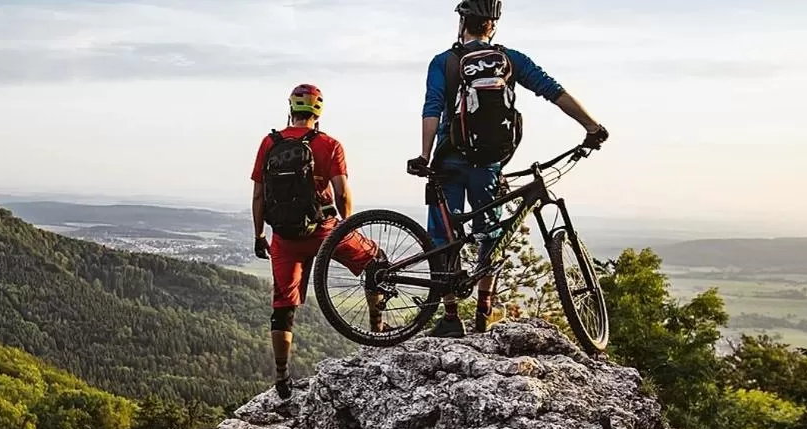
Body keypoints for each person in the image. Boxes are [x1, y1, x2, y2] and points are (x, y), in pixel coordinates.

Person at [408, 0, 609, 338]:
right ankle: (484, 314)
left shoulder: (444, 62)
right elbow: (553, 90)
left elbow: (431, 107)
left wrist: (424, 155)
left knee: (444, 237)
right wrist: (592, 127)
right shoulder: (510, 60)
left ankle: (451, 318)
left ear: (463, 23)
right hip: (488, 164)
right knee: (491, 234)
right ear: (493, 26)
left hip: (449, 160)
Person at [251, 84, 383, 400]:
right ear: (318, 111)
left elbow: (258, 195)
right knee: (378, 263)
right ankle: (377, 335)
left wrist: (258, 235)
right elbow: (341, 192)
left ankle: (281, 377)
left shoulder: (270, 143)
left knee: (282, 308)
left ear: (291, 109)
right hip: (326, 233)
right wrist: (346, 225)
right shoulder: (329, 145)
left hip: (285, 237)